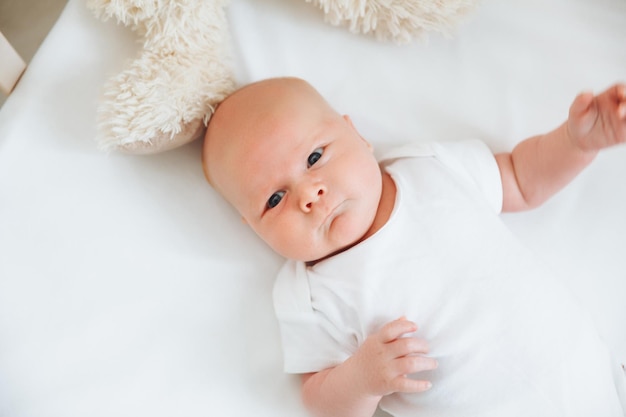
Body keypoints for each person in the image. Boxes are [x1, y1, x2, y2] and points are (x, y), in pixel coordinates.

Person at [202, 77, 626, 417]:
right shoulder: (309, 295)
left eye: (314, 157)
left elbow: (520, 178)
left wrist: (576, 142)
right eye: (274, 199)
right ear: (253, 227)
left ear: (356, 134)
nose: (308, 194)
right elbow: (319, 400)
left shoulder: (428, 168)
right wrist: (360, 380)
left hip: (597, 379)